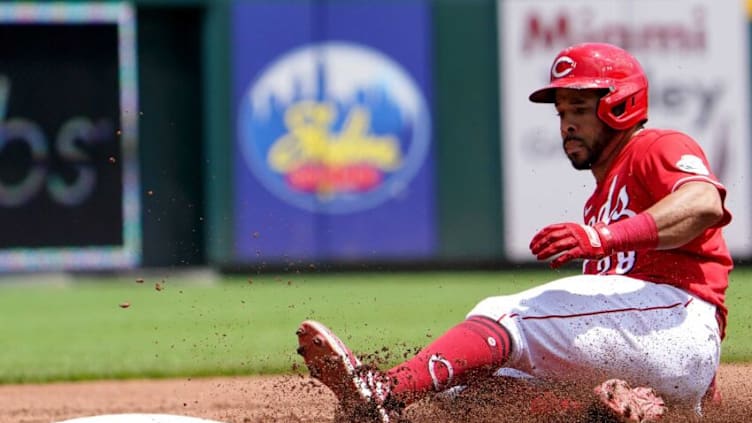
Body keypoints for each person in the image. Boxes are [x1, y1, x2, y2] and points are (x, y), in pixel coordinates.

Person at [296, 42, 731, 422]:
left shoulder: (656, 146)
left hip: (678, 317)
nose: (566, 125)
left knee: (507, 316)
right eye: (561, 112)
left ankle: (382, 392)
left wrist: (601, 238)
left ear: (620, 106)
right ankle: (599, 415)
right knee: (464, 388)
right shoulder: (598, 201)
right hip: (658, 351)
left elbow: (703, 204)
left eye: (579, 109)